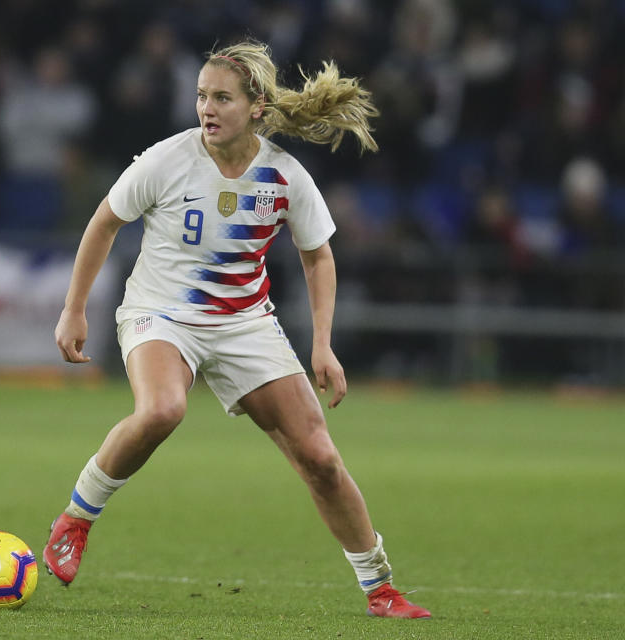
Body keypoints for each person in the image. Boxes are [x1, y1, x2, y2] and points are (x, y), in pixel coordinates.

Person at [43, 41, 431, 620]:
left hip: (246, 324)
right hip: (161, 314)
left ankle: (381, 589)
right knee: (162, 410)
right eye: (201, 96)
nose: (207, 107)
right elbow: (104, 223)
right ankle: (75, 521)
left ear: (256, 107)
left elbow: (318, 256)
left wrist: (322, 344)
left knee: (321, 458)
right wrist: (75, 308)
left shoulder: (284, 176)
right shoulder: (165, 160)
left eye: (221, 97)